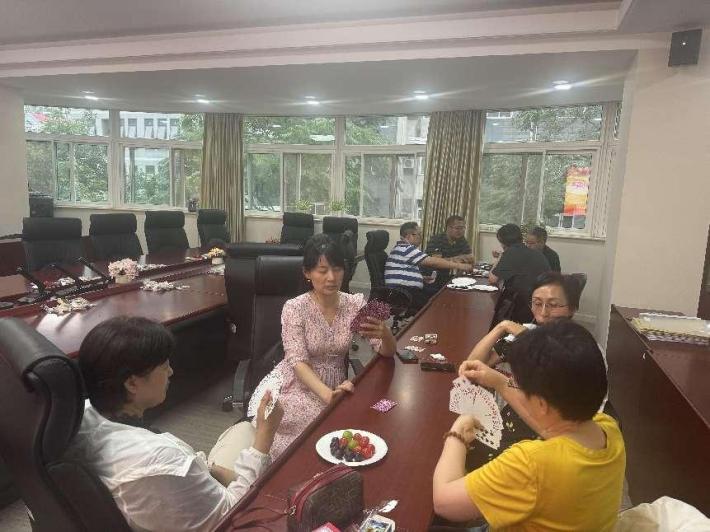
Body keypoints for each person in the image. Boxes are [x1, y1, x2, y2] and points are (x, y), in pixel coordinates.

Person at [67, 316, 284, 532]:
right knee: (251, 432)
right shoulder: (161, 459)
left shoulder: (81, 415)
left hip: (168, 496)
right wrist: (265, 436)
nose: (171, 371)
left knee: (243, 429)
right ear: (132, 383)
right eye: (164, 366)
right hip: (227, 520)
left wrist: (210, 471)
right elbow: (230, 515)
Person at [434, 321, 625, 531]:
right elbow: (548, 428)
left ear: (541, 404)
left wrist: (457, 434)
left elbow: (444, 502)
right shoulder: (608, 428)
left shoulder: (530, 463)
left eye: (517, 384)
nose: (515, 386)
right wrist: (500, 382)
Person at [251, 234, 397, 460]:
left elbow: (386, 351)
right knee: (313, 432)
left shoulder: (355, 304)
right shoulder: (295, 308)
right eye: (322, 270)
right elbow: (297, 361)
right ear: (307, 273)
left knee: (356, 428)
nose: (331, 277)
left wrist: (385, 334)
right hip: (297, 385)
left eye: (337, 269)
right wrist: (327, 396)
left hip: (337, 385)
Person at [461, 272, 585, 461]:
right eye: (537, 303)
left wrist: (525, 337)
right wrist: (501, 327)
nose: (543, 313)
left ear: (572, 309)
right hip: (512, 417)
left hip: (548, 433)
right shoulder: (526, 332)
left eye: (553, 305)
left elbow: (555, 362)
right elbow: (472, 366)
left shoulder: (581, 347)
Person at [385, 221, 474, 311]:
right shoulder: (405, 249)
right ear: (409, 236)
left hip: (406, 291)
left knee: (442, 294)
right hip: (403, 293)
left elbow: (404, 271)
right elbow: (433, 262)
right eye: (419, 234)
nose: (421, 237)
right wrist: (460, 266)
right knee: (441, 300)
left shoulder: (403, 248)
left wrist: (422, 278)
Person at [488, 224, 550, 288]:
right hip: (542, 292)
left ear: (503, 242)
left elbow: (492, 279)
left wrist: (500, 256)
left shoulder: (511, 252)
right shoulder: (536, 253)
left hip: (526, 293)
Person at [424, 215, 474, 291]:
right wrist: (457, 259)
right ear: (448, 228)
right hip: (434, 278)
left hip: (451, 276)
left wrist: (464, 259)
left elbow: (470, 258)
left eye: (463, 228)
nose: (461, 231)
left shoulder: (461, 240)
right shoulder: (436, 240)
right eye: (457, 228)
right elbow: (436, 262)